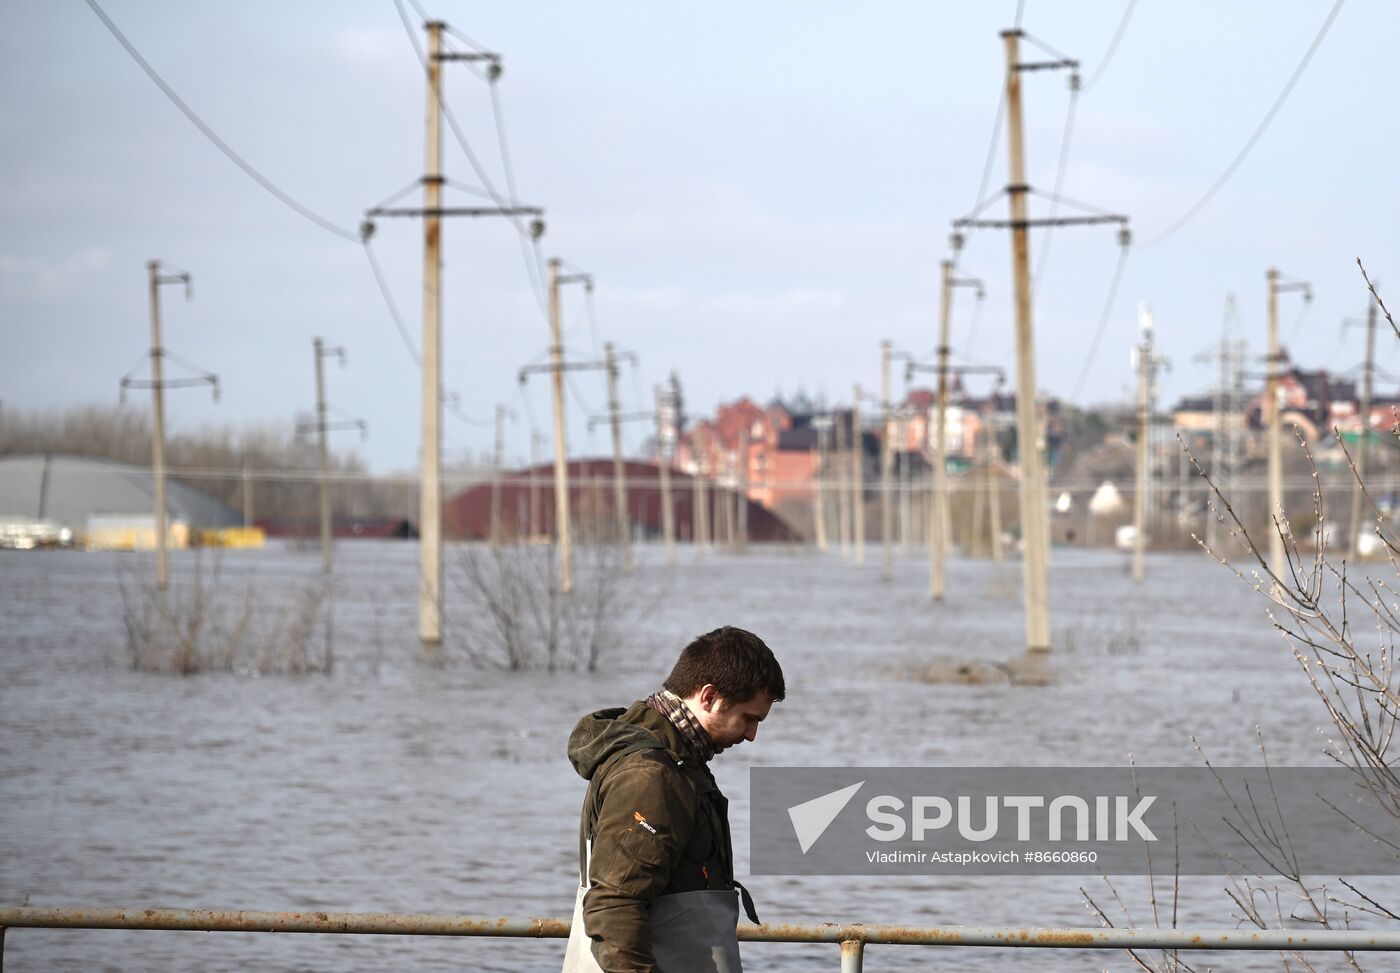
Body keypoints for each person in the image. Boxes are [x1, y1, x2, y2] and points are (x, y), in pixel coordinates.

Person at [562, 626, 785, 973]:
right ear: (708, 697)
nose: (752, 735)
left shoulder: (677, 760)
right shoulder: (651, 776)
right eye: (749, 718)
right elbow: (614, 906)